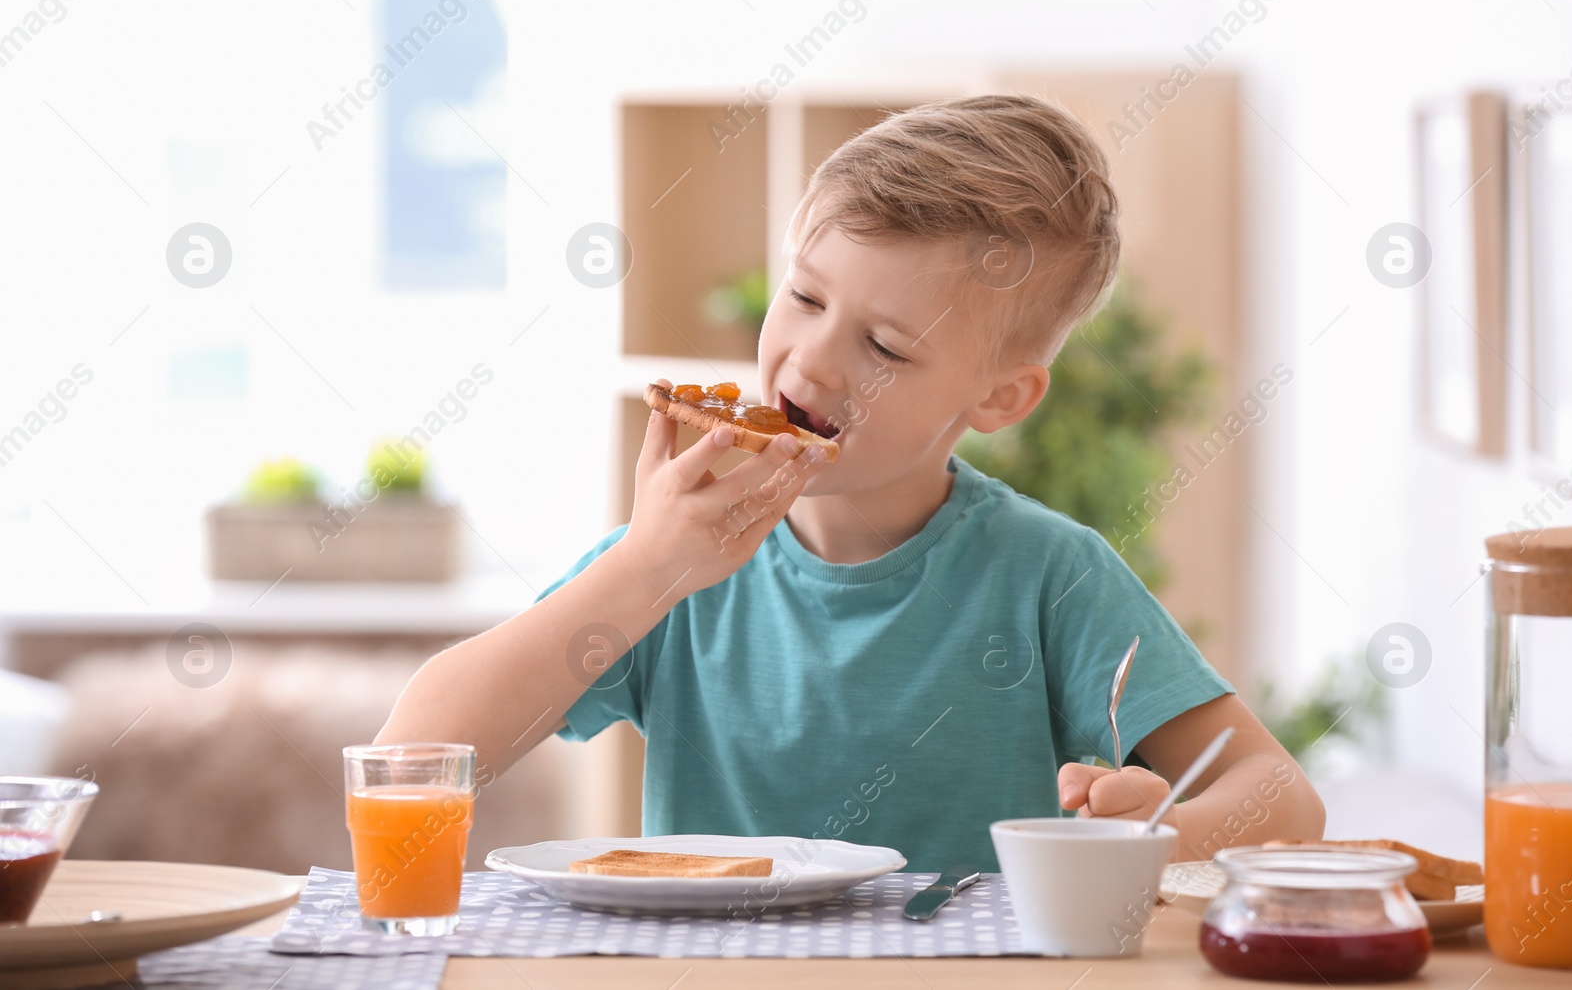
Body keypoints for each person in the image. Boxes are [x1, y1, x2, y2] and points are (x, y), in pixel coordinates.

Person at [378, 94, 1325, 870]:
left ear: (999, 397)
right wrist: (644, 569)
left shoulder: (1048, 574)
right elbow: (412, 754)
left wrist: (1150, 841)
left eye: (883, 345)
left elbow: (1280, 798)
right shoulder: (673, 560)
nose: (813, 363)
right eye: (804, 297)